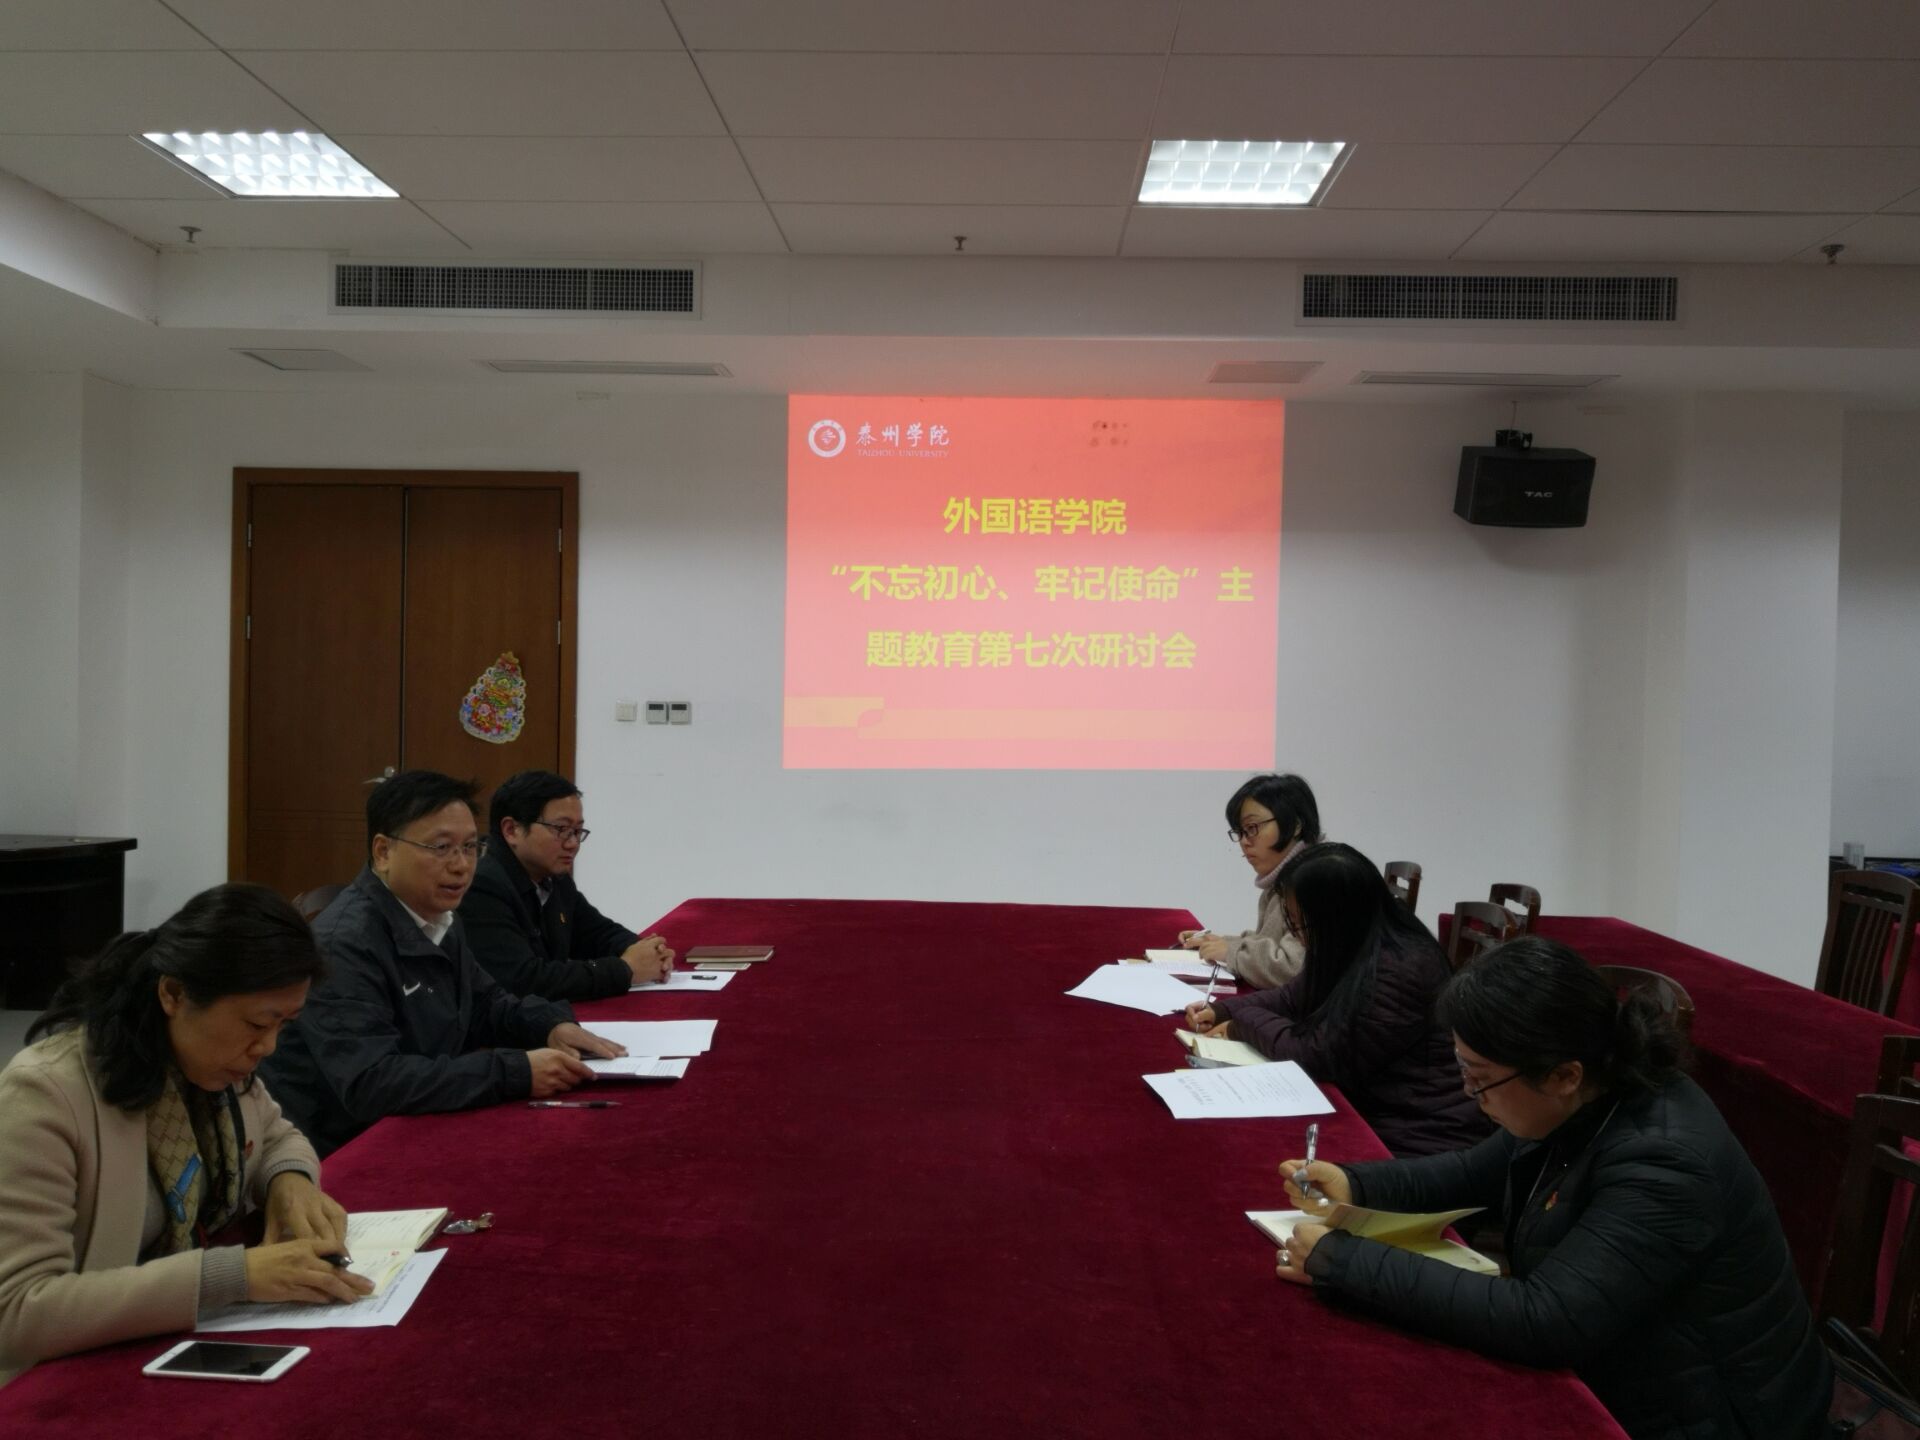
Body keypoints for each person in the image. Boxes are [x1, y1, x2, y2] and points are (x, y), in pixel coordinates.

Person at [1271, 938, 1833, 1440]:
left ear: (1564, 1074)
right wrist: (1356, 1182)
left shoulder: (1665, 1163)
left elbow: (1545, 1320)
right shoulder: (1587, 1094)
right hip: (1635, 1367)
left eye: (1480, 1079)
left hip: (1716, 1414)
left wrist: (1344, 1261)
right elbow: (1472, 1171)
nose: (1469, 1094)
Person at [0, 885, 374, 1387]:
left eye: (285, 1025)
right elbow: (16, 1311)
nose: (268, 1047)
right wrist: (232, 1276)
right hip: (59, 1382)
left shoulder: (210, 1066)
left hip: (159, 1344)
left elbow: (277, 1135)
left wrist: (290, 1181)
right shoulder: (47, 1093)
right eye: (257, 1023)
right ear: (173, 994)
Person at [259, 770, 629, 1156]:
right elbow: (372, 1083)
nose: (461, 865)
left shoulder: (437, 916)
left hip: (419, 1119)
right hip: (344, 1149)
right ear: (383, 852)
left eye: (470, 847)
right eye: (441, 847)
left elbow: (486, 1003)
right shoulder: (344, 944)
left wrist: (550, 1025)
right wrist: (516, 1071)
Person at [1185, 842, 1489, 1158]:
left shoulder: (1400, 968)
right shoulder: (1351, 941)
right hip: (1379, 1108)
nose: (1298, 934)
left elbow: (1315, 1055)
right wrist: (1222, 1009)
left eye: (1300, 923)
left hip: (1419, 1136)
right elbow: (1292, 996)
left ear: (1336, 915)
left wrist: (1241, 1023)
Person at [461, 769, 675, 1002]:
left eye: (577, 831)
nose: (573, 843)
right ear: (512, 830)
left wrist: (647, 951)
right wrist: (625, 970)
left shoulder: (554, 879)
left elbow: (598, 933)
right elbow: (524, 981)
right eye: (561, 830)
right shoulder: (482, 887)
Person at [1177, 773, 1321, 988]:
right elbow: (1270, 942)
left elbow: (1294, 968)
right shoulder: (1281, 882)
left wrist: (1231, 951)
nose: (1244, 842)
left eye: (1252, 828)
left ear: (1295, 825)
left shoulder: (1316, 881)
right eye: (1241, 832)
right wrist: (1220, 943)